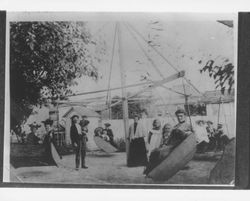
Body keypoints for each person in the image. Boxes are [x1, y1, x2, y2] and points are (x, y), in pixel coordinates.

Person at [144, 109, 194, 175]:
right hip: (172, 145)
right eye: (178, 116)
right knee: (155, 151)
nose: (179, 118)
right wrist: (165, 144)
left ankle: (153, 171)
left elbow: (190, 138)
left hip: (180, 147)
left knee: (159, 153)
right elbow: (171, 137)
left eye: (181, 116)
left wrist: (187, 133)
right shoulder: (176, 126)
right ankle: (150, 170)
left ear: (185, 116)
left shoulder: (188, 126)